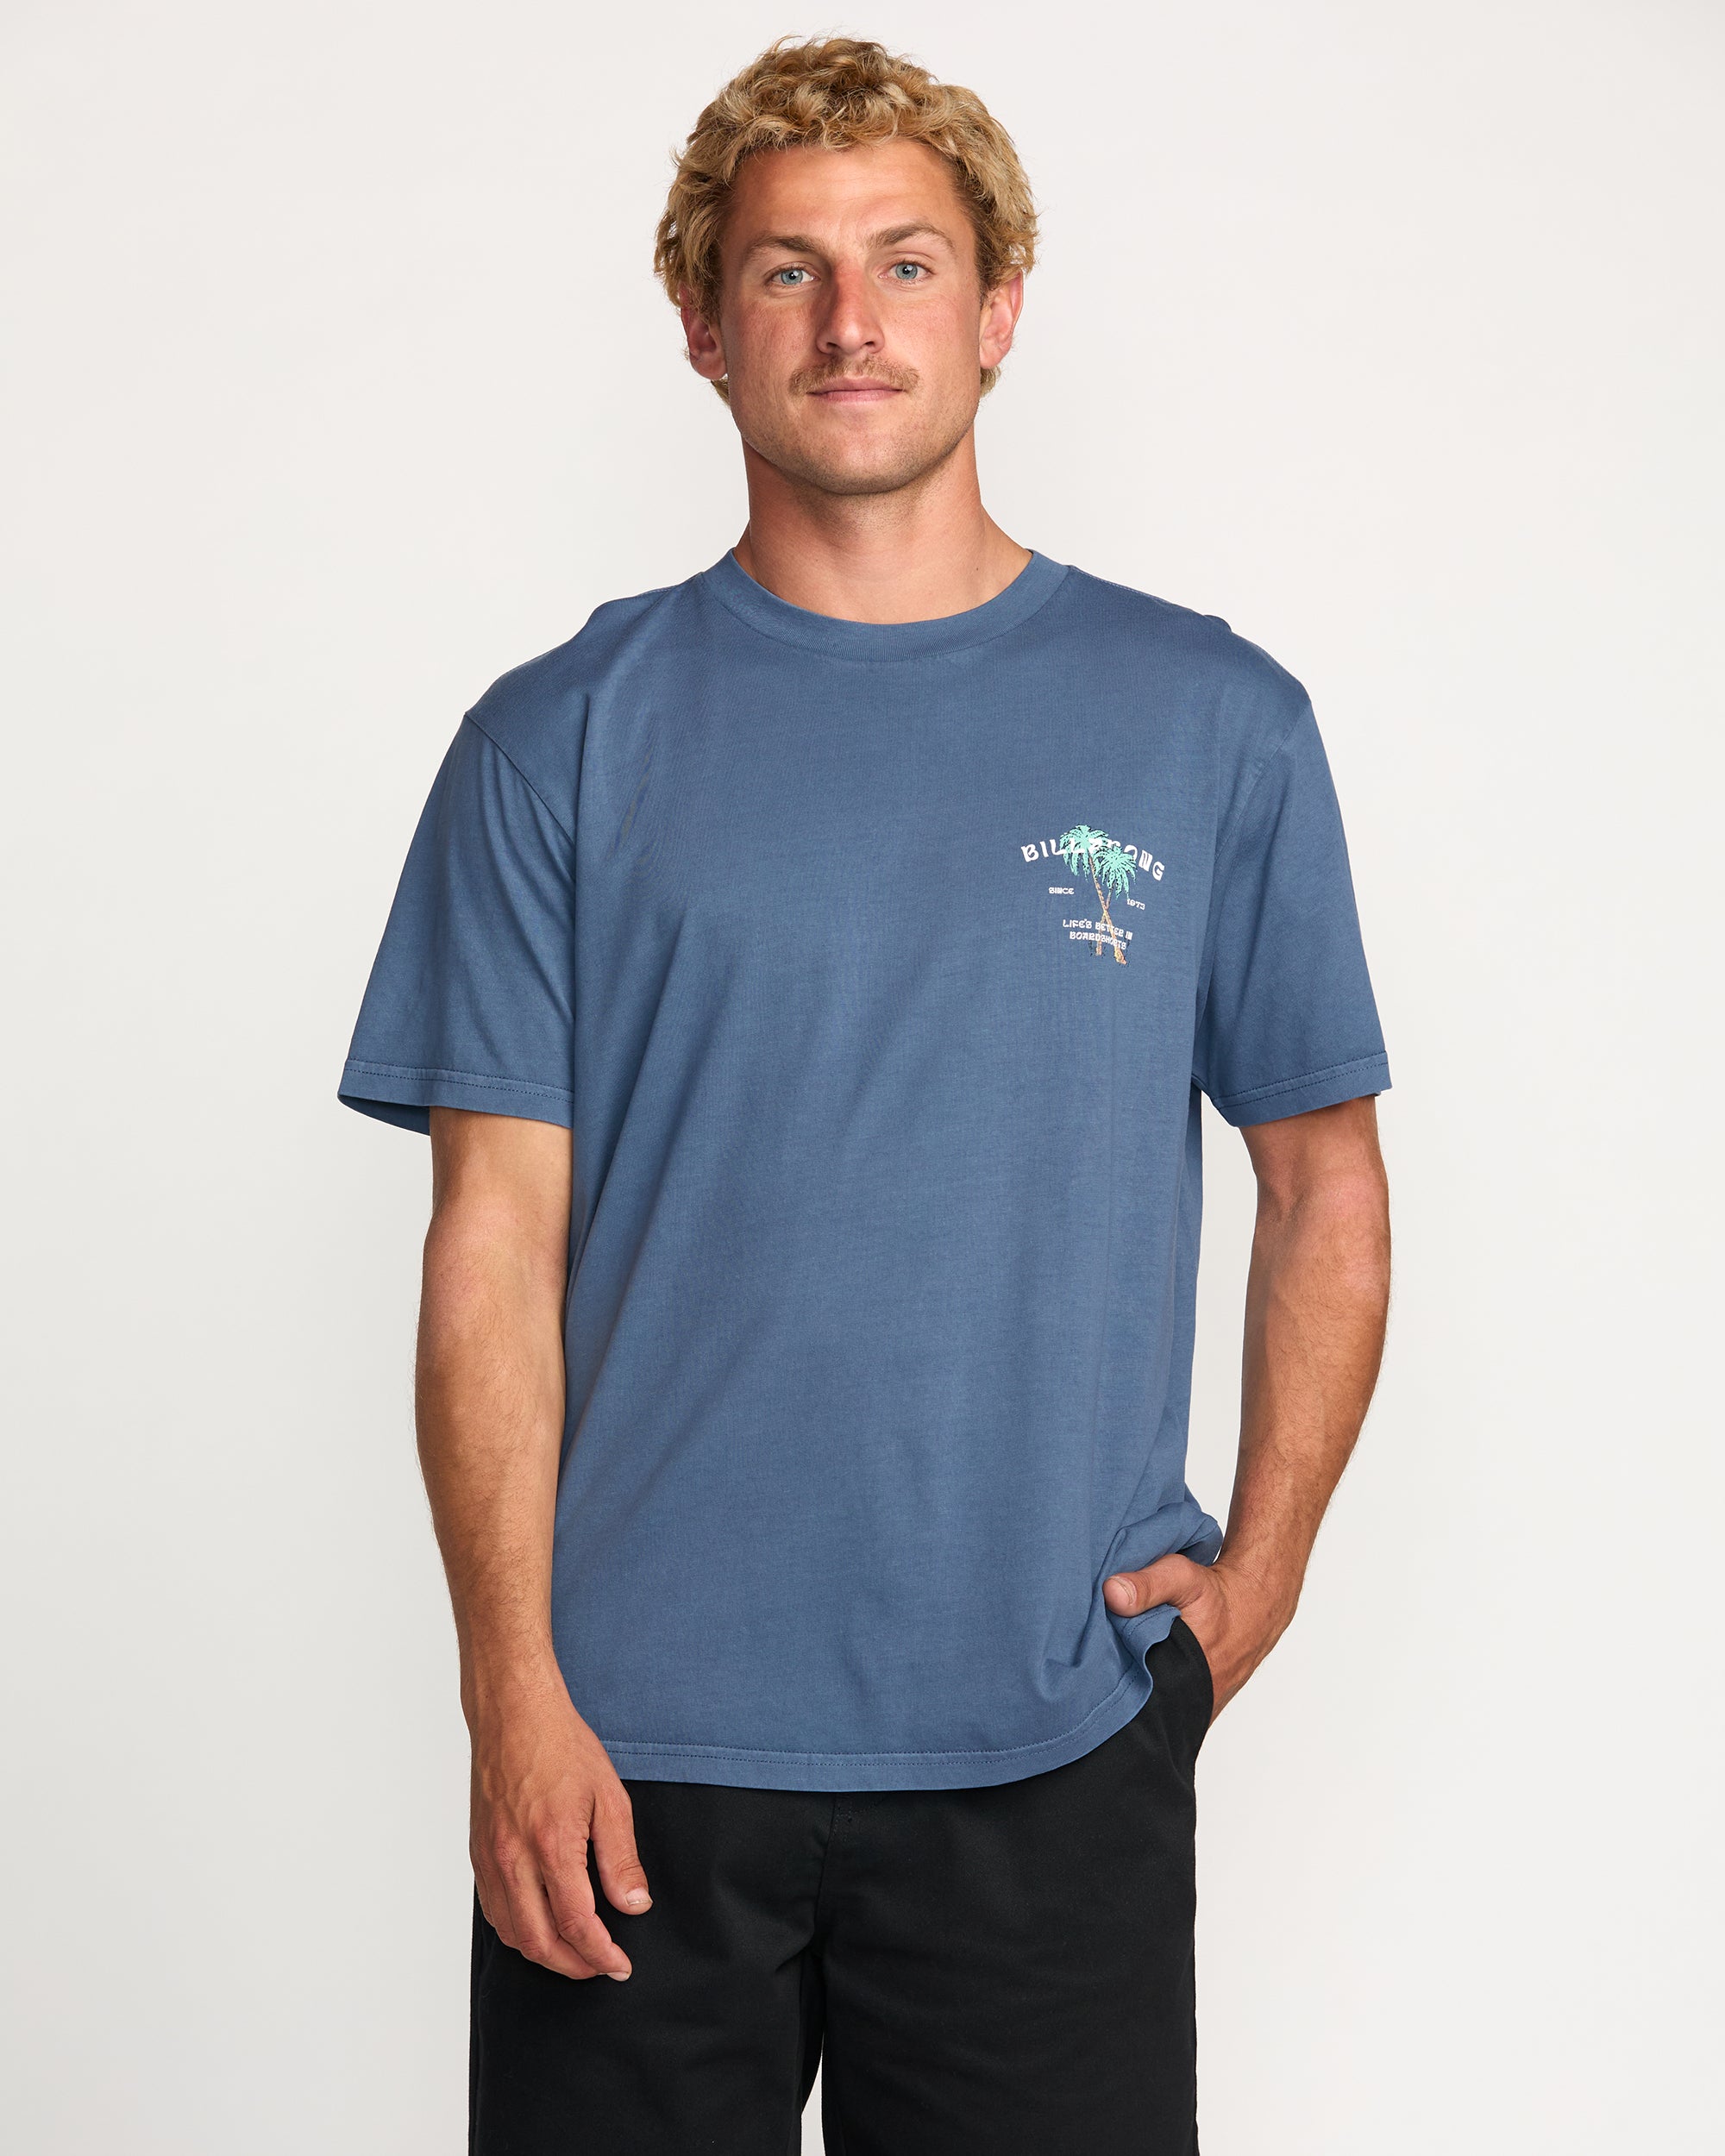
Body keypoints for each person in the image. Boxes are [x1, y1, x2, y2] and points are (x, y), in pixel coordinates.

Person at [339, 34, 1392, 2155]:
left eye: (906, 262)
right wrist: (509, 1691)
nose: (850, 319)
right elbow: (491, 1243)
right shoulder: (555, 741)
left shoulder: (1209, 722)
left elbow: (1324, 1178)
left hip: (1049, 1741)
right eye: (786, 269)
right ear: (703, 326)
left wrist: (1258, 1578)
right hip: (628, 1760)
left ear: (995, 313)